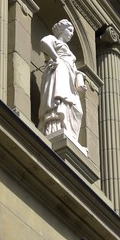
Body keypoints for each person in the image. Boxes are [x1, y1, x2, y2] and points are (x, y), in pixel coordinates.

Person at [39, 19, 87, 149]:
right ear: (61, 29)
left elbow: (74, 68)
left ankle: (70, 134)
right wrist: (55, 57)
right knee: (59, 99)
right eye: (69, 30)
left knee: (77, 109)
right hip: (59, 71)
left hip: (68, 76)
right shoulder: (54, 39)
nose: (71, 34)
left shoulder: (69, 51)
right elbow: (44, 42)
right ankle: (55, 128)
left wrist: (79, 76)